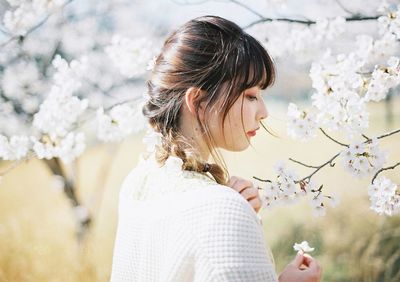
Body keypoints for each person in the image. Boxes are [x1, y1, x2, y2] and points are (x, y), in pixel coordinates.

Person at [110, 15, 322, 282]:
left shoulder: (135, 183)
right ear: (198, 102)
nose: (264, 112)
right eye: (251, 96)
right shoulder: (221, 207)